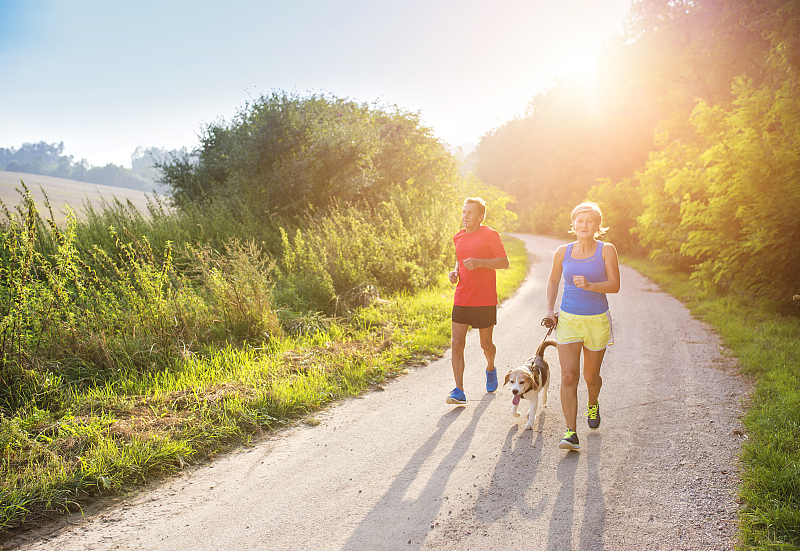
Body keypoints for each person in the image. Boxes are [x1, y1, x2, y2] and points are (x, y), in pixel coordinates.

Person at [544, 202, 620, 450]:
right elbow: (553, 281)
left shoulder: (606, 250)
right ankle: (570, 432)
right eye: (580, 220)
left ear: (597, 225)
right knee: (568, 376)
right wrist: (549, 310)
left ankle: (593, 402)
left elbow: (615, 285)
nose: (584, 225)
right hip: (568, 319)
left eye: (589, 221)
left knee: (590, 376)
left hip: (597, 320)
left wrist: (590, 286)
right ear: (573, 224)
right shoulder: (562, 252)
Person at [446, 197, 509, 405]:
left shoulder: (490, 235)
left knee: (486, 344)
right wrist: (455, 272)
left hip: (484, 299)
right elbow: (460, 260)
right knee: (457, 343)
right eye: (464, 211)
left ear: (480, 216)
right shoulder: (458, 237)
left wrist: (480, 262)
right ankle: (459, 390)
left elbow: (504, 262)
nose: (465, 216)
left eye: (470, 212)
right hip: (462, 297)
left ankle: (490, 367)